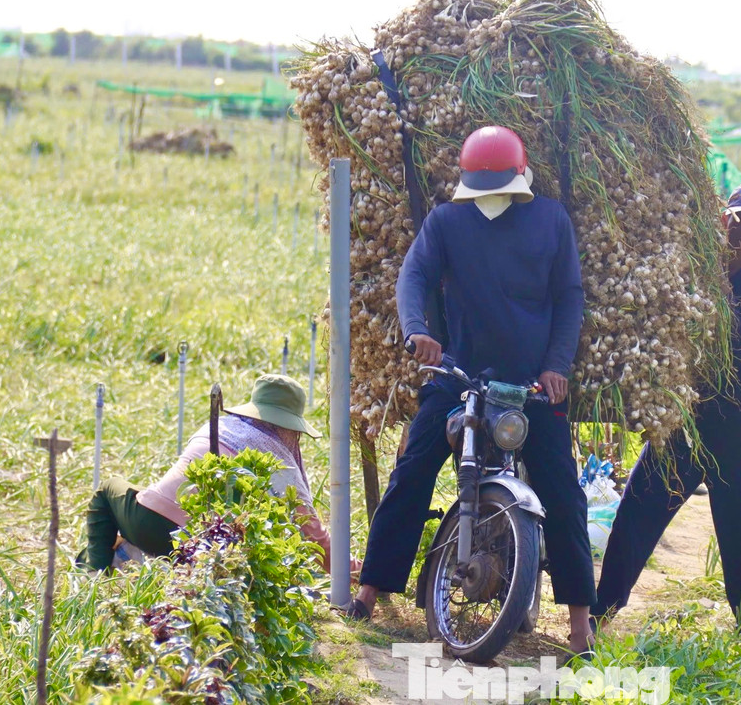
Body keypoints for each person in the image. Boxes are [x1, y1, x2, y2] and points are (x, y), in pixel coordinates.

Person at [343, 125, 596, 656]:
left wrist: (557, 367)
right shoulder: (446, 222)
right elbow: (413, 276)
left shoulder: (551, 220)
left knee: (564, 491)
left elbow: (569, 296)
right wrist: (418, 332)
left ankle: (579, 622)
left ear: (521, 180)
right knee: (413, 470)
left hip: (531, 386)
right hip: (459, 376)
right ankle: (370, 587)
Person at [593, 182, 741, 633]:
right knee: (634, 522)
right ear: (722, 219)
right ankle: (597, 617)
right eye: (738, 220)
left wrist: (701, 300)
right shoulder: (693, 268)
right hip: (683, 426)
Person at [81, 374, 346, 573]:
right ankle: (118, 560)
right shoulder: (281, 467)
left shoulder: (220, 427)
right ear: (291, 427)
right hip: (204, 552)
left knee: (109, 487)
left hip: (146, 524)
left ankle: (95, 570)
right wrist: (358, 573)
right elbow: (316, 539)